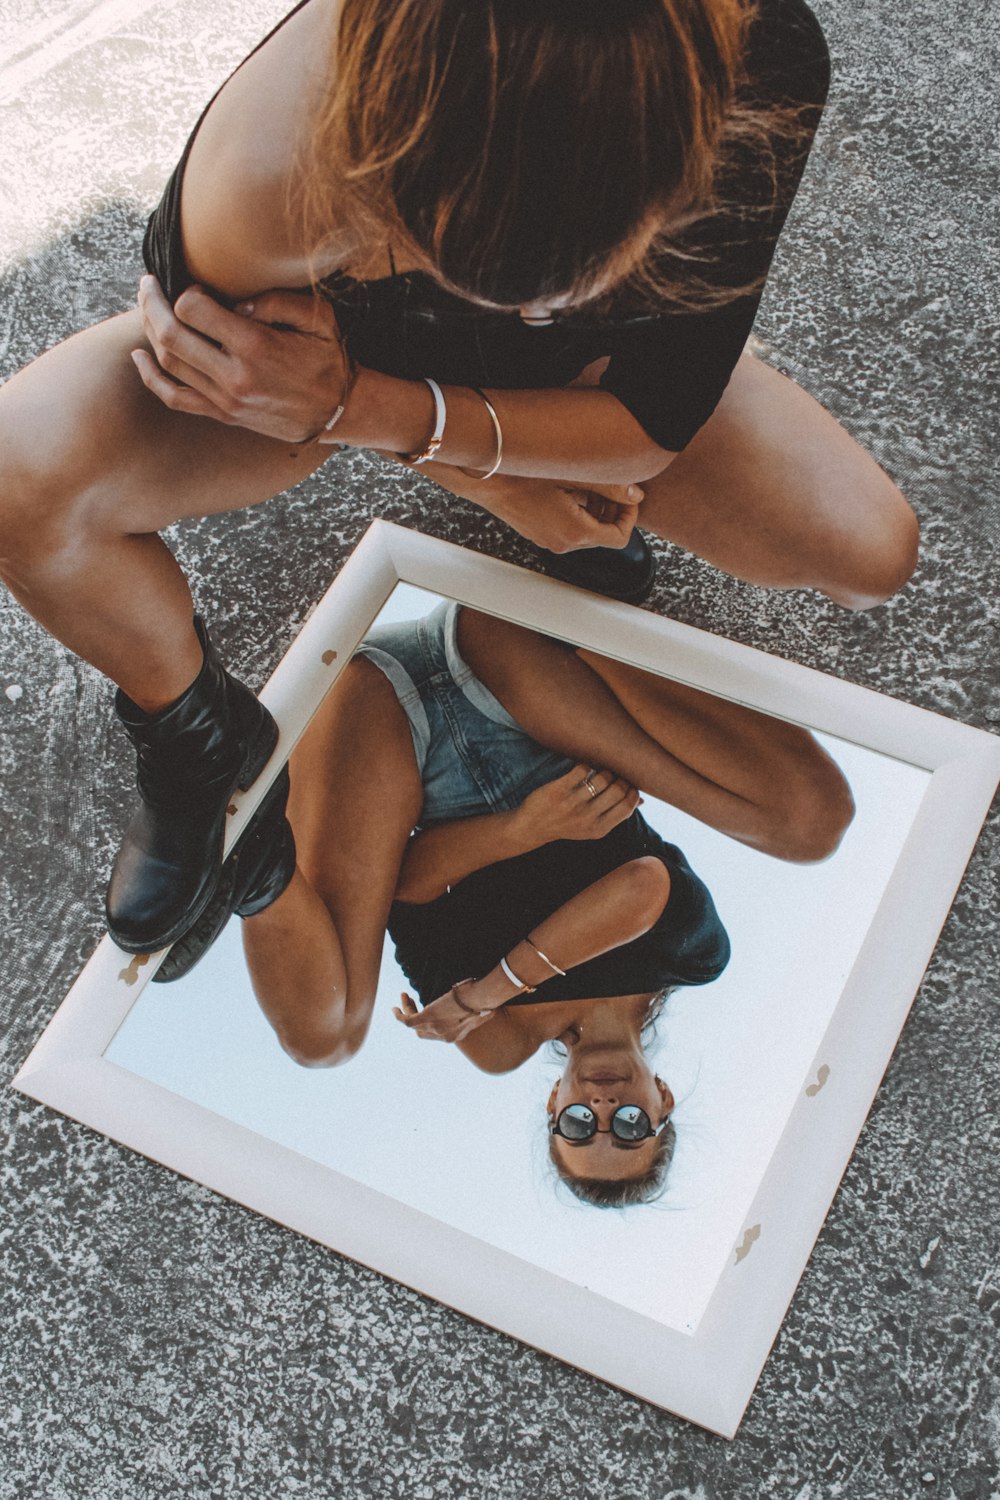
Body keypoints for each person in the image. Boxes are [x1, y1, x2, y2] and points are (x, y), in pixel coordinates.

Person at [0, 0, 909, 965]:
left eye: (578, 277)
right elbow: (242, 387)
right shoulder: (268, 178)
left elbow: (655, 419)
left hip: (545, 381)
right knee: (22, 474)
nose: (529, 308)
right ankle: (197, 742)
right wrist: (451, 456)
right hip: (320, 369)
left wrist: (486, 450)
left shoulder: (758, 55)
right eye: (474, 269)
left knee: (869, 552)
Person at [156, 601, 855, 1206]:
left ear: (554, 1106)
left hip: (381, 729)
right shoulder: (695, 958)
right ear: (663, 1102)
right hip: (525, 677)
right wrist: (492, 985)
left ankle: (236, 846)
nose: (604, 1109)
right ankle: (580, 611)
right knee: (812, 824)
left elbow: (405, 886)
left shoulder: (500, 1044)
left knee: (324, 1040)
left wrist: (514, 834)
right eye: (632, 1127)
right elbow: (639, 889)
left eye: (580, 1128)